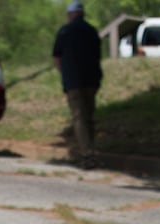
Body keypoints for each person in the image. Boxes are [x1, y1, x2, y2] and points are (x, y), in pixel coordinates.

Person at [52, 0, 103, 167]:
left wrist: (64, 73)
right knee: (89, 116)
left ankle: (87, 154)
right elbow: (98, 56)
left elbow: (56, 57)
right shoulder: (92, 31)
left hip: (73, 81)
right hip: (92, 80)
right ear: (82, 14)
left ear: (70, 15)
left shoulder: (64, 31)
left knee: (78, 117)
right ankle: (91, 150)